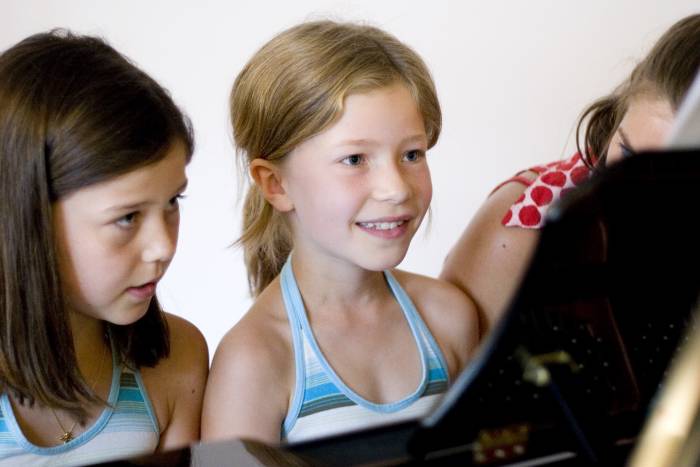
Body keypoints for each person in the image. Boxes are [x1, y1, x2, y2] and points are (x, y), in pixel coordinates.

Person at [202, 20, 479, 445]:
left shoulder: (448, 318)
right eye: (354, 159)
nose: (396, 188)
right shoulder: (254, 363)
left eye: (411, 154)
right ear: (276, 184)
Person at [0, 30, 208, 465]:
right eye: (127, 217)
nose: (163, 247)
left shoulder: (178, 359)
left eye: (173, 201)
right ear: (28, 218)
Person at [440, 14, 700, 338]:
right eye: (629, 154)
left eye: (672, 178)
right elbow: (462, 376)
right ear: (621, 108)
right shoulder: (523, 229)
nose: (639, 190)